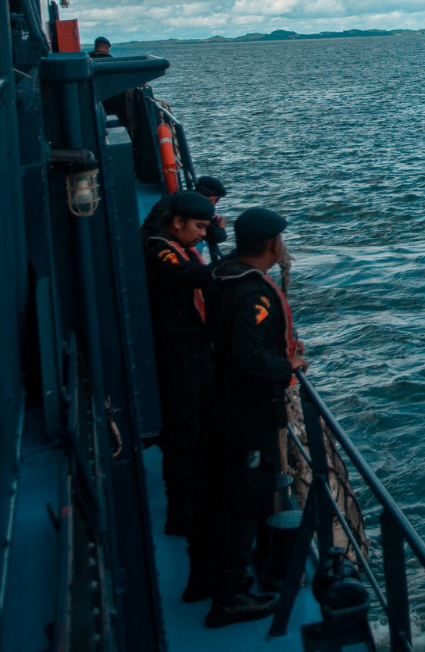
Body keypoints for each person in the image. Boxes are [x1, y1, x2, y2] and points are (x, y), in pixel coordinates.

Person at [188, 208, 306, 628]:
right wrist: (287, 365)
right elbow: (247, 354)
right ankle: (230, 598)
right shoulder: (254, 292)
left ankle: (204, 579)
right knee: (243, 501)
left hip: (218, 401)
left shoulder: (221, 273)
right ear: (274, 244)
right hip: (248, 412)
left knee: (217, 493)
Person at [143, 190, 218, 537]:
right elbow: (188, 277)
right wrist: (237, 261)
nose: (202, 234)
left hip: (192, 348)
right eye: (199, 227)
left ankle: (197, 496)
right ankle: (181, 513)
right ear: (177, 222)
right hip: (176, 352)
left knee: (199, 424)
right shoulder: (159, 250)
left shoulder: (179, 246)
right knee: (183, 430)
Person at [194, 175, 229, 262]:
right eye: (216, 200)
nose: (215, 204)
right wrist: (221, 227)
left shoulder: (186, 200)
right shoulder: (200, 209)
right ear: (210, 199)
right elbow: (216, 236)